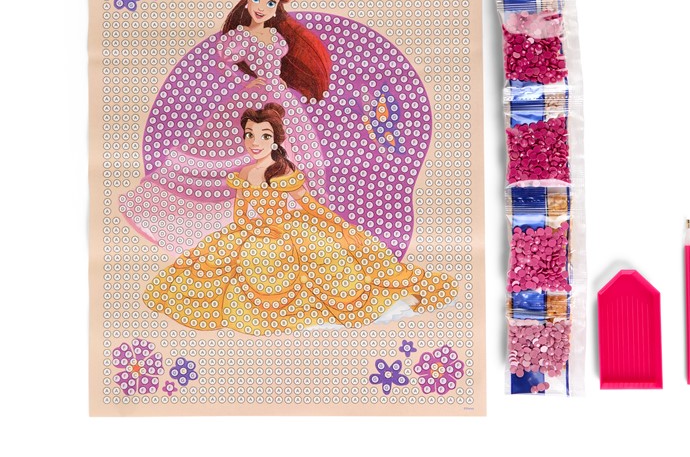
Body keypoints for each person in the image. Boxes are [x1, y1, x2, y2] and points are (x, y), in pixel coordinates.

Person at [143, 104, 457, 334]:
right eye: (249, 134)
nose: (254, 142)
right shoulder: (244, 172)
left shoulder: (282, 171)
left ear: (275, 140)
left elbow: (308, 205)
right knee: (223, 261)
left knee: (318, 261)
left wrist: (337, 224)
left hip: (288, 230)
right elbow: (240, 214)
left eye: (263, 135)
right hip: (254, 232)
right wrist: (251, 229)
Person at [120, 0, 332, 254]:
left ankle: (286, 212)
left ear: (277, 8)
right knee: (236, 151)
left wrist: (277, 81)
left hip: (279, 97)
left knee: (288, 150)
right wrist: (247, 82)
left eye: (270, 2)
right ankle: (240, 215)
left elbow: (275, 65)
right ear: (247, 1)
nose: (261, 7)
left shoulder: (277, 38)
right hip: (253, 97)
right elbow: (222, 64)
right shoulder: (240, 36)